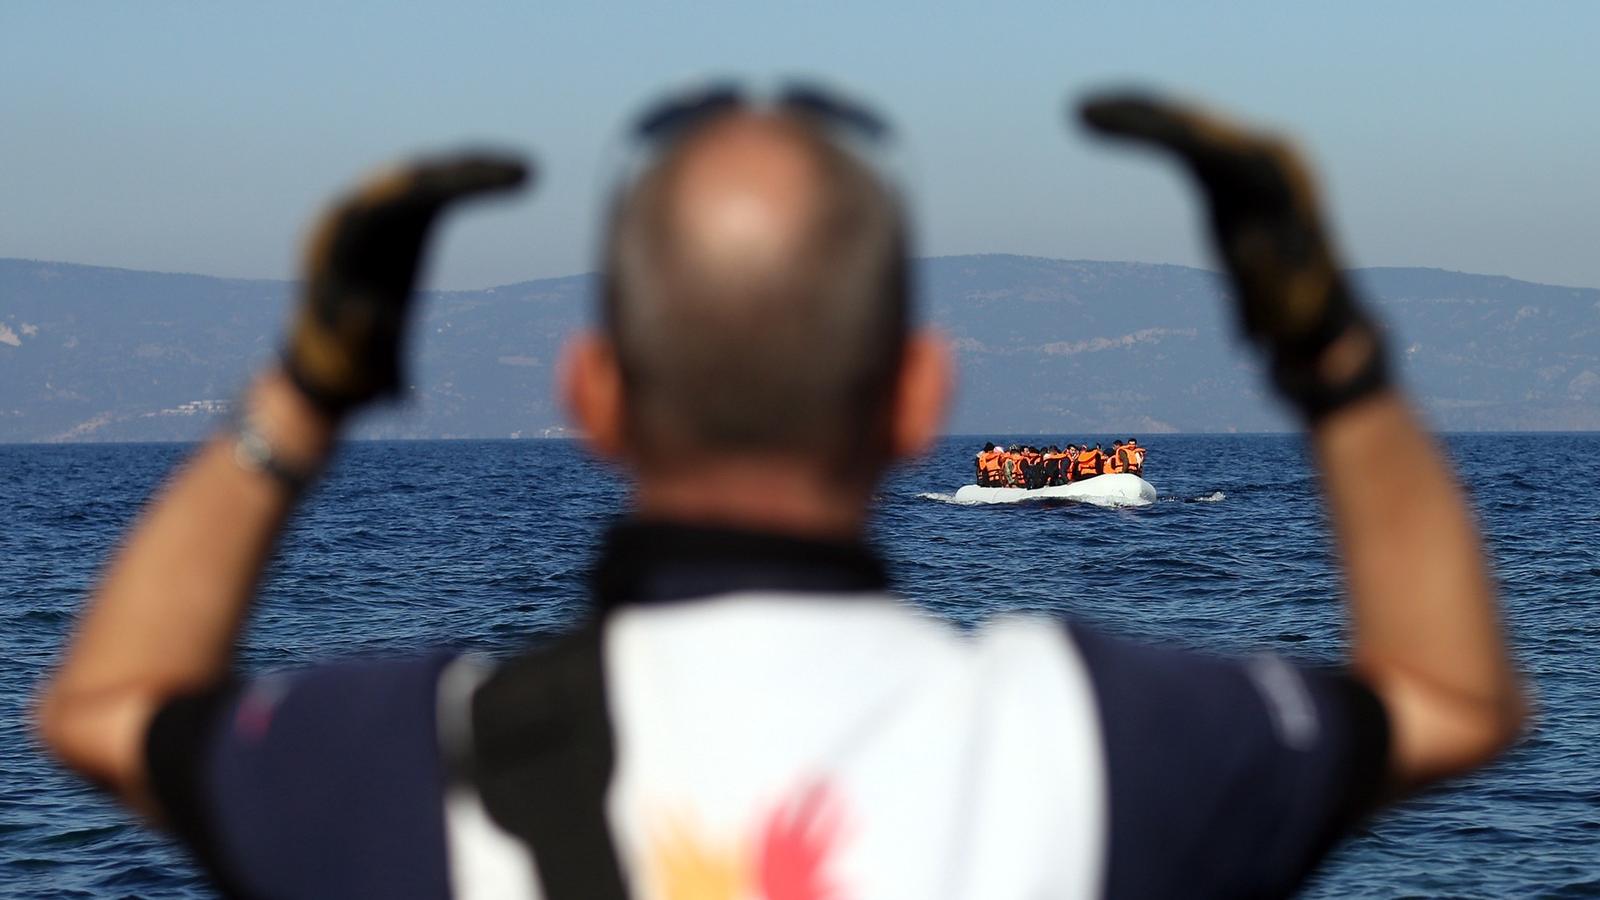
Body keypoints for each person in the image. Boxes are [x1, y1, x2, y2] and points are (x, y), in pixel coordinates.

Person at [36, 85, 1524, 899]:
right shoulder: (1094, 737)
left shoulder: (404, 764)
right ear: (920, 399)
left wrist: (309, 384)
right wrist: (1329, 357)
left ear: (590, 393)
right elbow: (1454, 700)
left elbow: (102, 712)